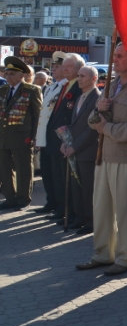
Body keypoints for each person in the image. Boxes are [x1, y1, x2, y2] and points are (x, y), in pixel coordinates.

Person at [77, 44, 127, 277]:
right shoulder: (111, 85)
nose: (116, 59)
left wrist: (108, 128)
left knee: (126, 210)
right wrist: (98, 110)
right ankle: (102, 254)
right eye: (115, 55)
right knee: (101, 209)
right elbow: (93, 122)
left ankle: (125, 257)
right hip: (104, 156)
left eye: (120, 56)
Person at [46, 53, 85, 226]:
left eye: (68, 66)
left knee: (68, 180)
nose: (64, 68)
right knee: (59, 178)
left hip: (68, 140)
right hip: (57, 140)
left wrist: (67, 139)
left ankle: (70, 212)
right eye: (64, 66)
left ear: (78, 69)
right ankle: (63, 209)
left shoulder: (78, 87)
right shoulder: (65, 86)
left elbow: (73, 117)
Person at [0, 57, 42, 210]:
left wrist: (37, 137)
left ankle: (23, 198)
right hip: (3, 135)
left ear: (21, 75)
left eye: (11, 74)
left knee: (23, 168)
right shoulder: (3, 90)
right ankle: (10, 198)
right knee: (4, 168)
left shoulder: (31, 90)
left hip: (22, 136)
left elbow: (38, 115)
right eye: (6, 73)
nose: (8, 77)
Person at [64, 65, 100, 235]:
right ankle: (79, 218)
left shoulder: (97, 98)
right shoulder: (80, 97)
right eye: (78, 75)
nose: (79, 79)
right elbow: (74, 124)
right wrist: (66, 141)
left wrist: (74, 146)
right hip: (74, 150)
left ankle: (90, 221)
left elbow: (91, 129)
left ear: (94, 79)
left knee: (88, 188)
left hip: (87, 151)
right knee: (76, 187)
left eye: (83, 76)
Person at [34, 51, 67, 214]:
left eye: (57, 66)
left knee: (57, 175)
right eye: (52, 66)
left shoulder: (65, 87)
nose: (53, 69)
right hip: (45, 137)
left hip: (55, 137)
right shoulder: (51, 87)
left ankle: (60, 205)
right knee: (47, 173)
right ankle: (51, 201)